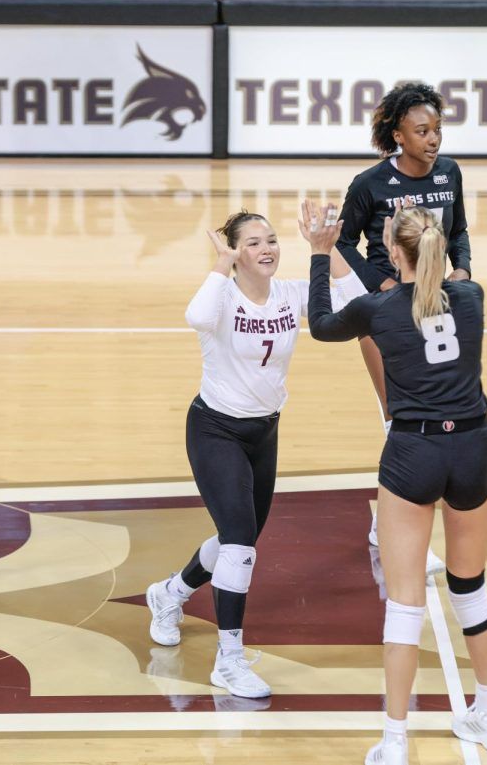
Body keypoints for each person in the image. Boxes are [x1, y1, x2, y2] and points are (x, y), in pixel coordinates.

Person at [308, 207, 487, 761]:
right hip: (473, 447)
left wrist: (321, 253)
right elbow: (447, 283)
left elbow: (322, 325)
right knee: (469, 588)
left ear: (393, 255)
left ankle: (395, 740)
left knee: (404, 604)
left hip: (414, 452)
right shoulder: (473, 300)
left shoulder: (377, 310)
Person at [144, 201, 367, 699]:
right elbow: (196, 316)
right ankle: (229, 660)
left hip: (264, 433)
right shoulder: (221, 296)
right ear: (235, 253)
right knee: (241, 543)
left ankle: (171, 593)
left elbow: (356, 303)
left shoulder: (290, 294)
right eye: (252, 243)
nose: (265, 250)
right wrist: (220, 266)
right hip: (215, 430)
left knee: (234, 540)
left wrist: (326, 250)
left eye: (270, 240)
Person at [338, 82, 470, 567]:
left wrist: (464, 269)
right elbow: (343, 243)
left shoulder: (451, 173)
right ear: (398, 134)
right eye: (422, 131)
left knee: (431, 415)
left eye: (437, 129)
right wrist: (382, 284)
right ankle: (391, 526)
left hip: (437, 306)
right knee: (399, 417)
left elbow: (459, 232)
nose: (433, 139)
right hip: (387, 313)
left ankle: (386, 522)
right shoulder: (370, 184)